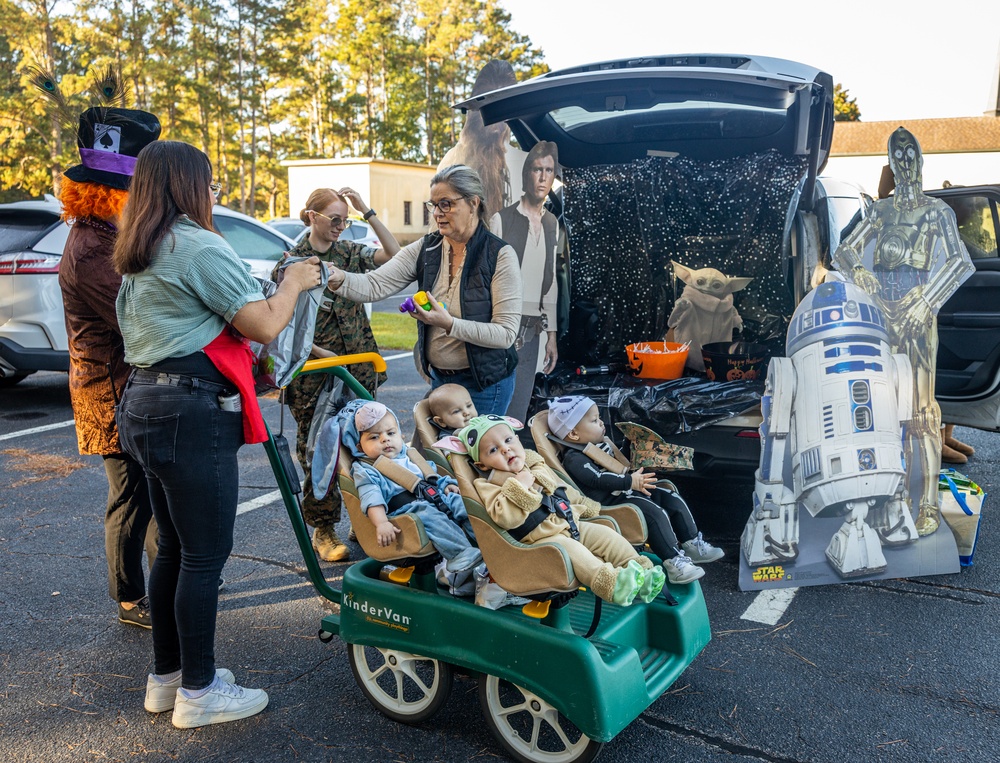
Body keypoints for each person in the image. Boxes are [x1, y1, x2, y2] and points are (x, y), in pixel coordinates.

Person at [113, 140, 323, 728]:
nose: (214, 193)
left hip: (145, 403)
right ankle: (200, 694)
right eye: (207, 182)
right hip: (190, 410)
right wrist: (296, 281)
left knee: (175, 548)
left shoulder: (144, 248)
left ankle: (169, 678)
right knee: (205, 555)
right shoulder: (198, 245)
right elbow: (263, 320)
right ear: (185, 185)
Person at [833, 129, 975, 536]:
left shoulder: (935, 212)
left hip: (917, 315)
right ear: (891, 163)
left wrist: (926, 300)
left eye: (911, 152)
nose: (906, 160)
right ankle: (892, 498)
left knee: (923, 412)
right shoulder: (880, 212)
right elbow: (844, 250)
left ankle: (927, 503)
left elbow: (959, 263)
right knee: (883, 410)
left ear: (921, 158)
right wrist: (859, 270)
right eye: (899, 155)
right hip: (882, 316)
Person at [55, 102, 161, 628]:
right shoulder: (93, 248)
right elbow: (137, 317)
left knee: (149, 489)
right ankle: (129, 597)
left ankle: (163, 577)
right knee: (129, 495)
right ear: (116, 193)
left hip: (129, 384)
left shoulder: (109, 235)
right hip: (109, 392)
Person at [327, 164, 522, 416]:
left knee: (476, 456)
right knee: (436, 454)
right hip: (441, 381)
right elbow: (374, 284)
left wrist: (449, 323)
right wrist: (337, 277)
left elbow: (505, 334)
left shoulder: (500, 255)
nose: (437, 213)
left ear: (473, 203)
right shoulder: (427, 248)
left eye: (446, 204)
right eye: (433, 205)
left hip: (485, 385)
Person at [278, 187, 401, 563]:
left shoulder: (347, 252)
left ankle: (366, 519)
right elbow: (283, 324)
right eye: (335, 219)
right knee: (321, 450)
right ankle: (323, 529)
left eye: (346, 220)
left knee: (369, 445)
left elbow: (394, 257)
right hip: (315, 374)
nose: (341, 226)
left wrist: (368, 210)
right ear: (312, 216)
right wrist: (319, 352)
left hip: (359, 367)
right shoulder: (292, 262)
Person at [448, 415, 667, 606]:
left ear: (517, 440)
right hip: (541, 541)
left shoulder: (535, 466)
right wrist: (519, 487)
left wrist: (588, 507)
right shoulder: (489, 484)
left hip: (567, 523)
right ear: (483, 465)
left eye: (507, 440)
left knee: (608, 537)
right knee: (575, 553)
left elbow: (562, 491)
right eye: (493, 450)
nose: (505, 449)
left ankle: (643, 572)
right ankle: (613, 585)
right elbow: (505, 517)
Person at [546, 396, 724, 584]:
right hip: (612, 502)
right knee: (654, 513)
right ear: (574, 434)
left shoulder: (598, 445)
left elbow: (618, 464)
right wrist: (630, 481)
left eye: (599, 418)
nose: (601, 423)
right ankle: (674, 562)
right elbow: (597, 479)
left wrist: (630, 445)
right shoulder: (575, 458)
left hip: (626, 490)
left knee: (670, 496)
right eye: (594, 420)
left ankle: (692, 543)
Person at [343, 400, 482, 571]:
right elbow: (371, 498)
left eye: (390, 433)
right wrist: (381, 523)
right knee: (430, 516)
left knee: (463, 503)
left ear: (400, 435)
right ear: (360, 447)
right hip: (405, 510)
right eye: (374, 437)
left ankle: (487, 543)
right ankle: (461, 554)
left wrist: (446, 485)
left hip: (432, 495)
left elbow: (430, 476)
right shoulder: (366, 469)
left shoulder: (409, 455)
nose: (385, 439)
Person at [489, 141, 560, 422]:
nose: (543, 177)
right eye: (536, 169)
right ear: (526, 174)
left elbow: (551, 281)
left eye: (549, 170)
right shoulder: (501, 219)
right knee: (495, 406)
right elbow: (488, 278)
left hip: (533, 330)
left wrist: (551, 335)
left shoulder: (551, 222)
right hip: (502, 325)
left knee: (518, 410)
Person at [438, 60, 525, 221]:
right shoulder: (453, 161)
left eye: (502, 105)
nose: (494, 117)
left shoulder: (522, 163)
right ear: (474, 110)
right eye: (487, 105)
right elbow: (440, 224)